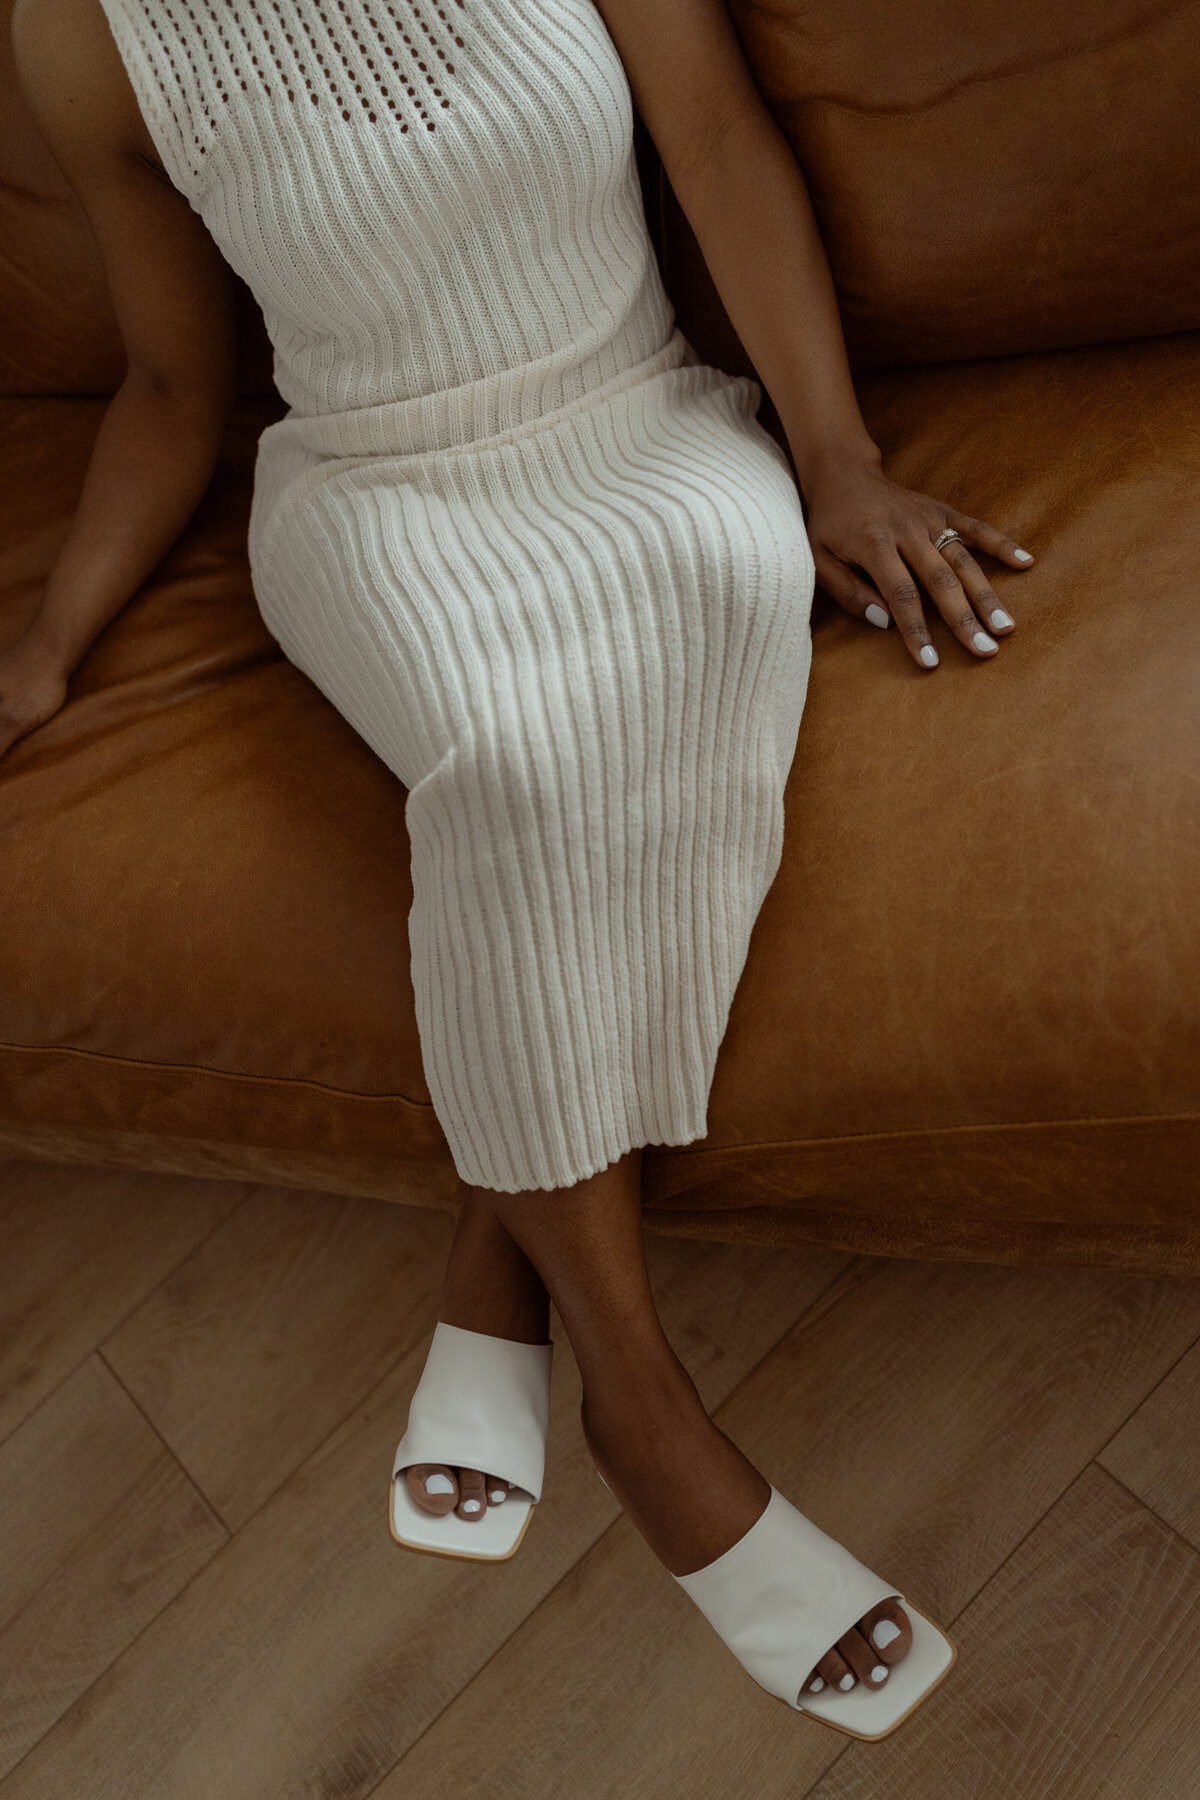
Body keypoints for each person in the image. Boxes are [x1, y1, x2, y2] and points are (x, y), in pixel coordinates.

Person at [10, 0, 1033, 1735]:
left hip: (644, 417)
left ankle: (505, 1253)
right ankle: (642, 1404)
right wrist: (44, 641)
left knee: (729, 597)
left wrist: (837, 457)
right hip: (376, 496)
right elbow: (178, 376)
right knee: (529, 769)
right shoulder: (80, 30)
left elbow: (718, 146)